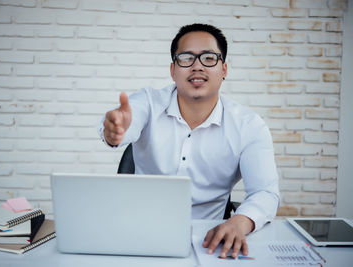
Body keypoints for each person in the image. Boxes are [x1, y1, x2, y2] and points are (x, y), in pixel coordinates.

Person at [98, 23, 279, 259]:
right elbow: (126, 120)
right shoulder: (149, 102)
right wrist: (115, 130)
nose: (197, 66)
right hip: (139, 231)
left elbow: (265, 192)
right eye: (186, 58)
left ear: (224, 69)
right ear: (173, 70)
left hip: (209, 238)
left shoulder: (248, 125)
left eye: (208, 58)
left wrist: (240, 222)